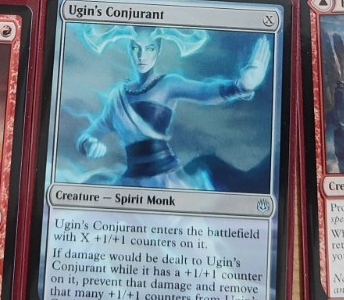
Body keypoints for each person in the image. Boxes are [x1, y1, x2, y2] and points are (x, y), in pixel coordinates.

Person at [74, 24, 271, 189]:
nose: (142, 55)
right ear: (129, 49)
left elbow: (204, 92)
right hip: (130, 183)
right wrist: (89, 144)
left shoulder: (168, 84)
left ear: (158, 50)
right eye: (136, 48)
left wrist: (240, 86)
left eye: (149, 48)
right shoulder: (118, 97)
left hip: (164, 181)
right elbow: (90, 134)